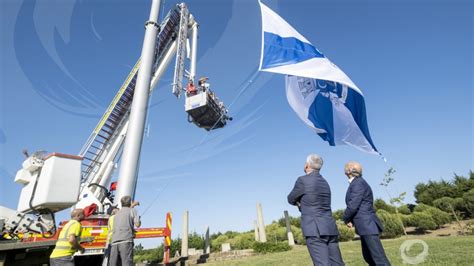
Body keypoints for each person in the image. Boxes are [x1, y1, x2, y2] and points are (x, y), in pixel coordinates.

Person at [288, 154, 344, 266]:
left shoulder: (302, 180)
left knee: (322, 263)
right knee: (337, 263)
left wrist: (300, 204)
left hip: (314, 228)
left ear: (307, 165)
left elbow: (290, 198)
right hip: (329, 226)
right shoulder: (325, 182)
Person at [342, 162, 390, 266]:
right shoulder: (357, 183)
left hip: (367, 225)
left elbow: (353, 205)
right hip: (364, 226)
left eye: (346, 167)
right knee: (369, 257)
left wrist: (345, 218)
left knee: (379, 259)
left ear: (349, 170)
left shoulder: (358, 183)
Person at [109, 196, 141, 266]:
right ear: (130, 202)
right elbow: (137, 224)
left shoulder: (117, 213)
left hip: (114, 241)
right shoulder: (133, 211)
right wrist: (139, 219)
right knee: (127, 263)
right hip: (126, 240)